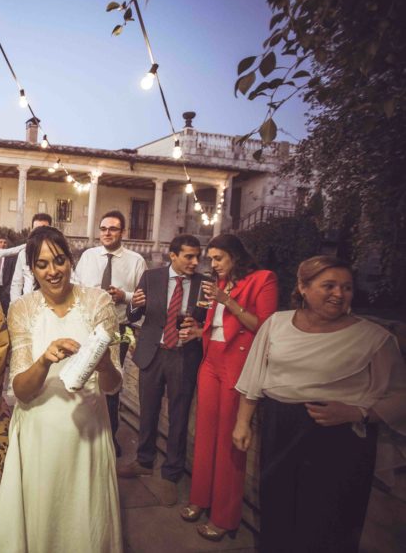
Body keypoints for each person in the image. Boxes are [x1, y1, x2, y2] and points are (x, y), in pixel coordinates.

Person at [233, 256, 406, 553]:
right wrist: (242, 422)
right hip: (281, 428)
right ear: (303, 287)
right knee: (277, 510)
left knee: (329, 521)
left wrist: (358, 412)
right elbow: (254, 375)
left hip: (339, 439)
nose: (339, 294)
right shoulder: (276, 324)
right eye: (329, 285)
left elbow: (400, 395)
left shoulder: (374, 338)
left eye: (347, 287)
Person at [0, 226, 124, 552]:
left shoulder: (98, 302)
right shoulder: (22, 308)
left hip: (87, 432)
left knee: (83, 524)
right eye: (42, 264)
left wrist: (105, 364)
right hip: (39, 433)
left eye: (59, 260)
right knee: (42, 517)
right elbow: (21, 391)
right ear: (32, 269)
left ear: (70, 260)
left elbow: (113, 385)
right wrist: (44, 360)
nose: (53, 271)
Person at [177, 234, 278, 540]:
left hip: (238, 363)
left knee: (229, 442)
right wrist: (199, 331)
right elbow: (217, 325)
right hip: (211, 360)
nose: (213, 264)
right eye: (211, 259)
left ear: (235, 255)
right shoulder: (219, 283)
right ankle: (200, 498)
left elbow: (264, 327)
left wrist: (228, 301)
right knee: (205, 435)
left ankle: (224, 516)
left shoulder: (263, 279)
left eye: (218, 258)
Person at [119, 234, 206, 506]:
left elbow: (209, 320)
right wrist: (134, 304)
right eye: (189, 256)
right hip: (153, 352)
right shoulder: (151, 277)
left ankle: (171, 474)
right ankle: (144, 461)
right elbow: (134, 315)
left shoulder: (205, 284)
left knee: (179, 416)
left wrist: (199, 326)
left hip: (184, 356)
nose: (195, 262)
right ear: (173, 255)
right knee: (148, 410)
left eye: (197, 256)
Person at [75, 210, 147, 455]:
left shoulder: (136, 260)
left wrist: (124, 296)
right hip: (87, 328)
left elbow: (143, 296)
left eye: (113, 229)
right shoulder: (88, 256)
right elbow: (76, 288)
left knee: (113, 381)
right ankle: (83, 434)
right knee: (84, 377)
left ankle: (109, 438)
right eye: (104, 229)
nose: (107, 233)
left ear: (123, 232)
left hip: (120, 330)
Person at [8, 212, 53, 302]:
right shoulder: (23, 254)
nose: (39, 233)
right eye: (36, 229)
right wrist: (16, 305)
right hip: (28, 305)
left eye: (43, 229)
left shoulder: (58, 253)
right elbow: (17, 284)